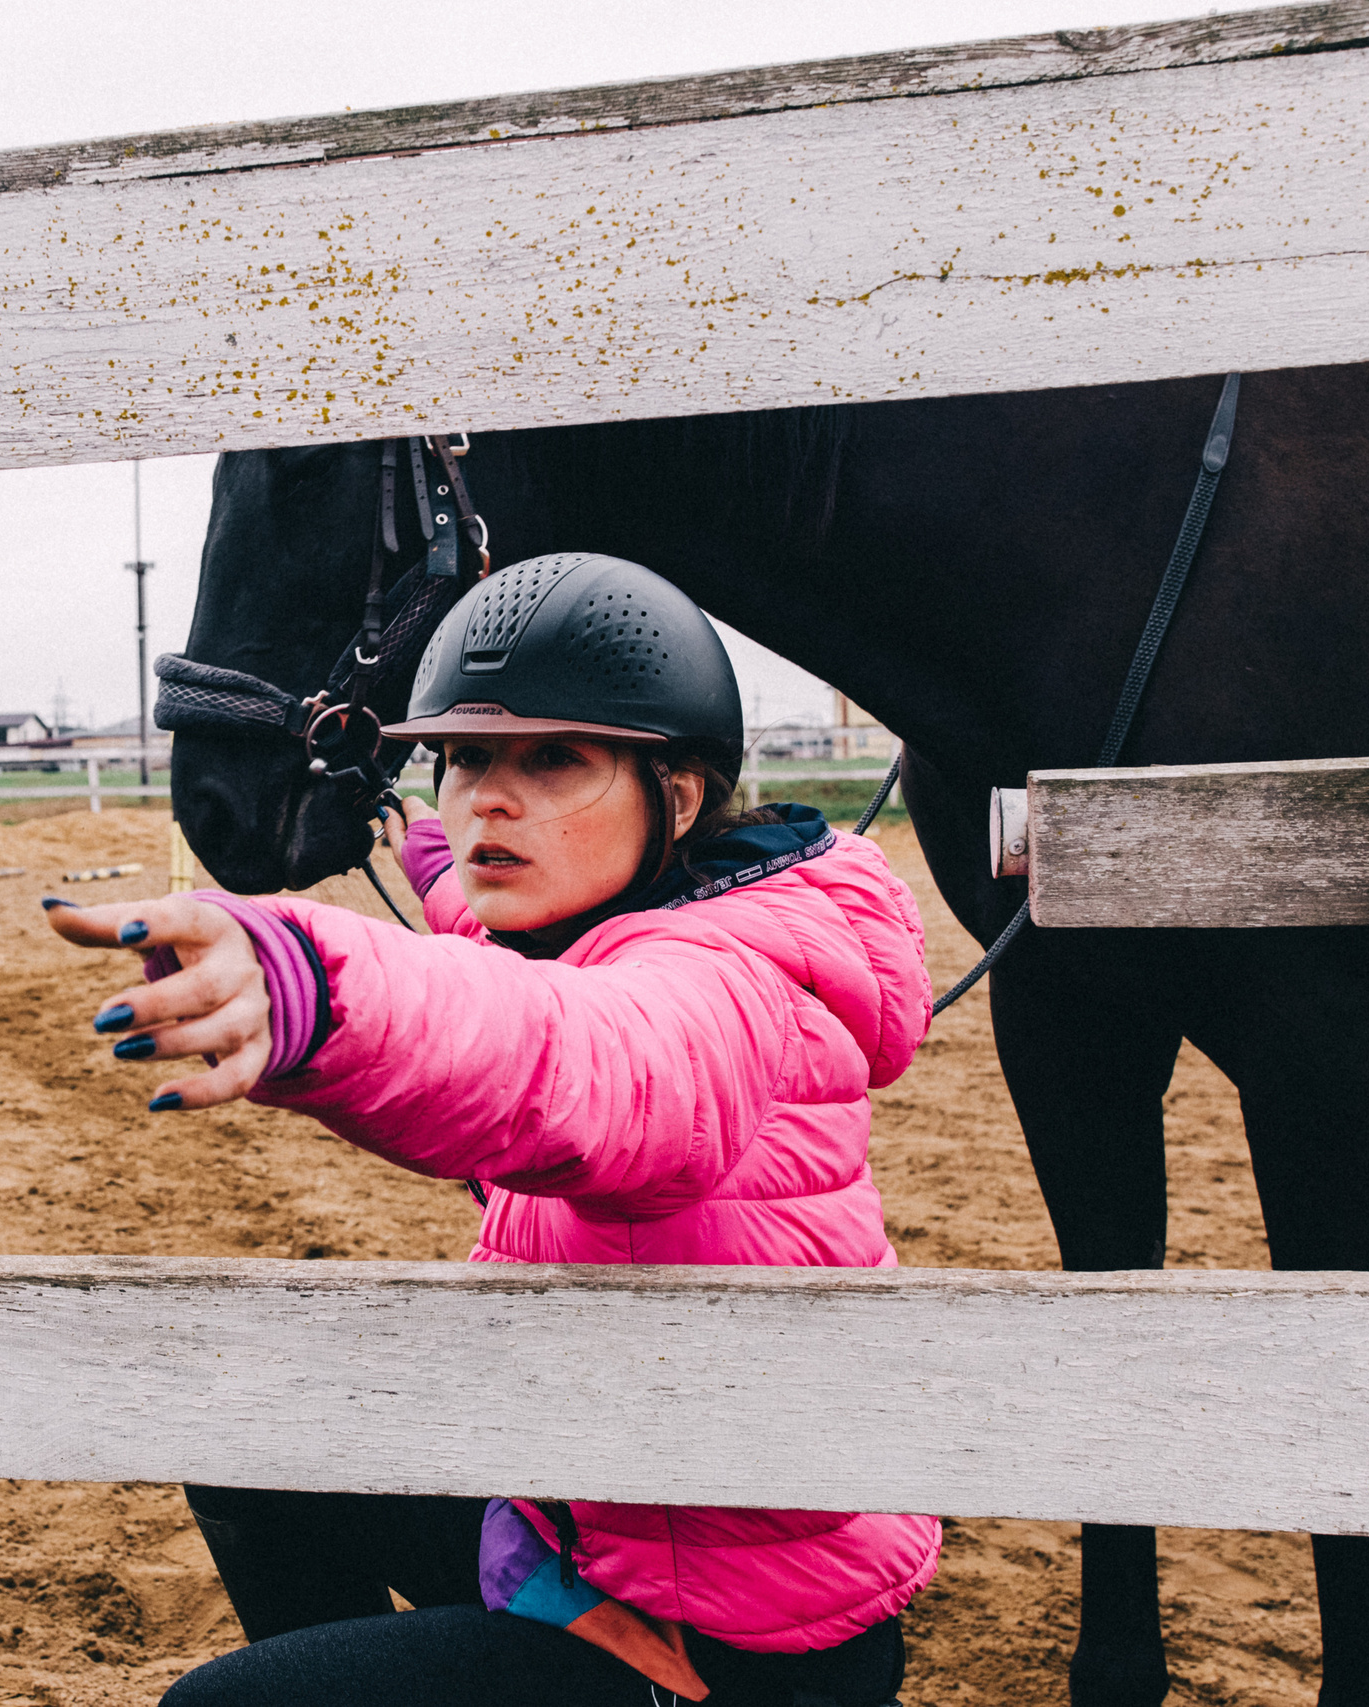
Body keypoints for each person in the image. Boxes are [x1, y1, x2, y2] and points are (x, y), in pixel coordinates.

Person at [46, 553, 937, 1707]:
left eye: (552, 758)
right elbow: (472, 901)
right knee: (250, 1441)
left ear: (673, 791)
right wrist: (426, 855)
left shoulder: (728, 984)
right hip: (585, 1527)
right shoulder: (602, 898)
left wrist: (312, 980)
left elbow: (581, 1058)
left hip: (726, 1641)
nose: (489, 803)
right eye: (466, 760)